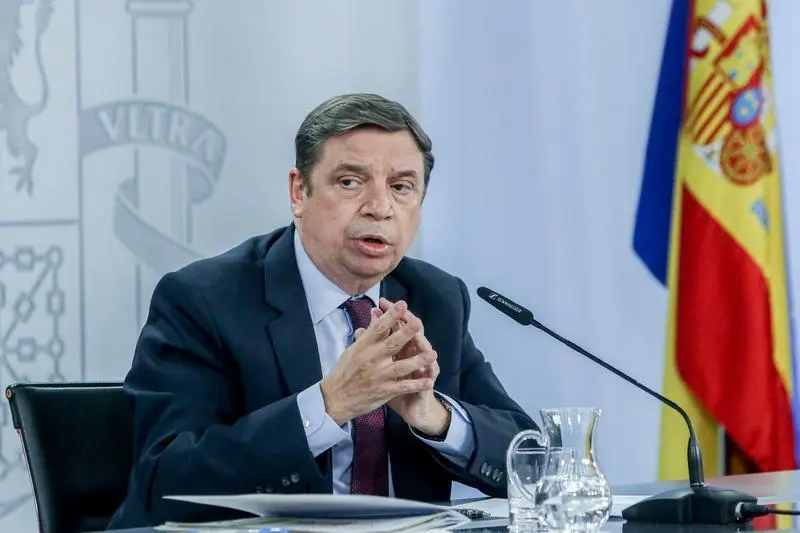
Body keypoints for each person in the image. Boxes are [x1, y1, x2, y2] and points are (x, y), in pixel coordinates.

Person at [107, 93, 537, 529]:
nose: (380, 208)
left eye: (401, 187)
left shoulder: (435, 297)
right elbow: (166, 484)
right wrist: (329, 405)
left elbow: (532, 459)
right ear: (299, 192)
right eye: (350, 182)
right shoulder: (204, 300)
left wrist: (436, 417)